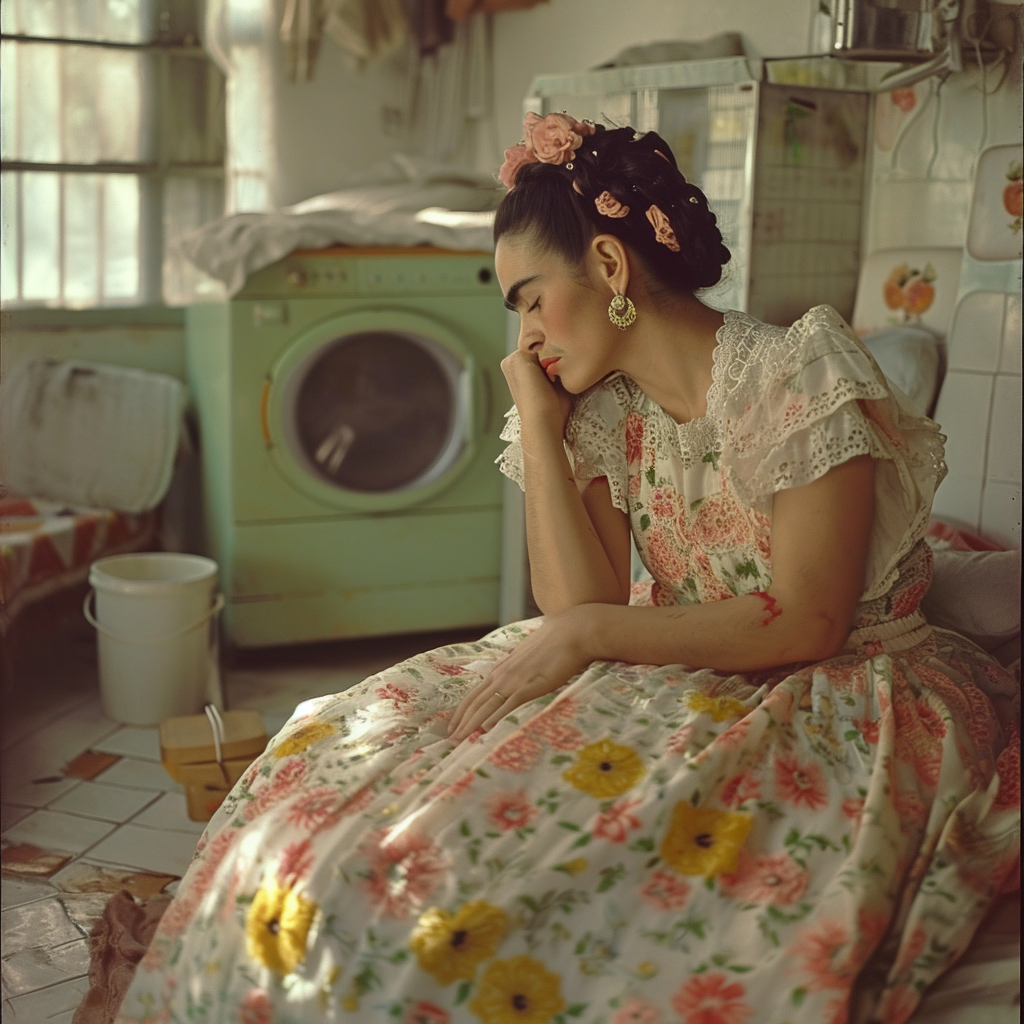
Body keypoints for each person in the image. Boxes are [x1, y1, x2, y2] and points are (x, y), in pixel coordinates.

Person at [118, 116, 1018, 1024]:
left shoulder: (796, 371)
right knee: (344, 781)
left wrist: (589, 634)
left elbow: (804, 623)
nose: (523, 337)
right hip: (679, 657)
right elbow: (574, 600)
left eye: (530, 298)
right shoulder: (605, 411)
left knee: (578, 878)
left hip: (842, 681)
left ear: (612, 267)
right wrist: (543, 429)